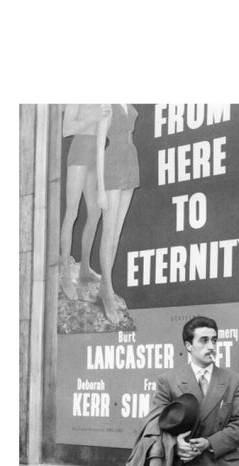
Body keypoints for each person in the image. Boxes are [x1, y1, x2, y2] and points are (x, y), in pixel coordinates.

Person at [145, 316, 239, 466]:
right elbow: (155, 425)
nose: (211, 346)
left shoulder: (234, 381)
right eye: (204, 340)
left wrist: (208, 443)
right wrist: (176, 444)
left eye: (214, 340)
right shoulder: (169, 381)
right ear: (188, 345)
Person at [60, 104, 112, 300]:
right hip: (80, 149)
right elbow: (66, 130)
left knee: (95, 211)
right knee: (72, 212)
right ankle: (66, 274)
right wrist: (94, 117)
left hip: (98, 152)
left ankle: (84, 267)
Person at [96, 104, 140, 323]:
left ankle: (105, 287)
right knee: (108, 233)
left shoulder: (129, 104)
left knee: (116, 234)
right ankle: (108, 294)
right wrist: (101, 189)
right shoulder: (107, 104)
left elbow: (129, 134)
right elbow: (99, 147)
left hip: (130, 162)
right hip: (112, 164)